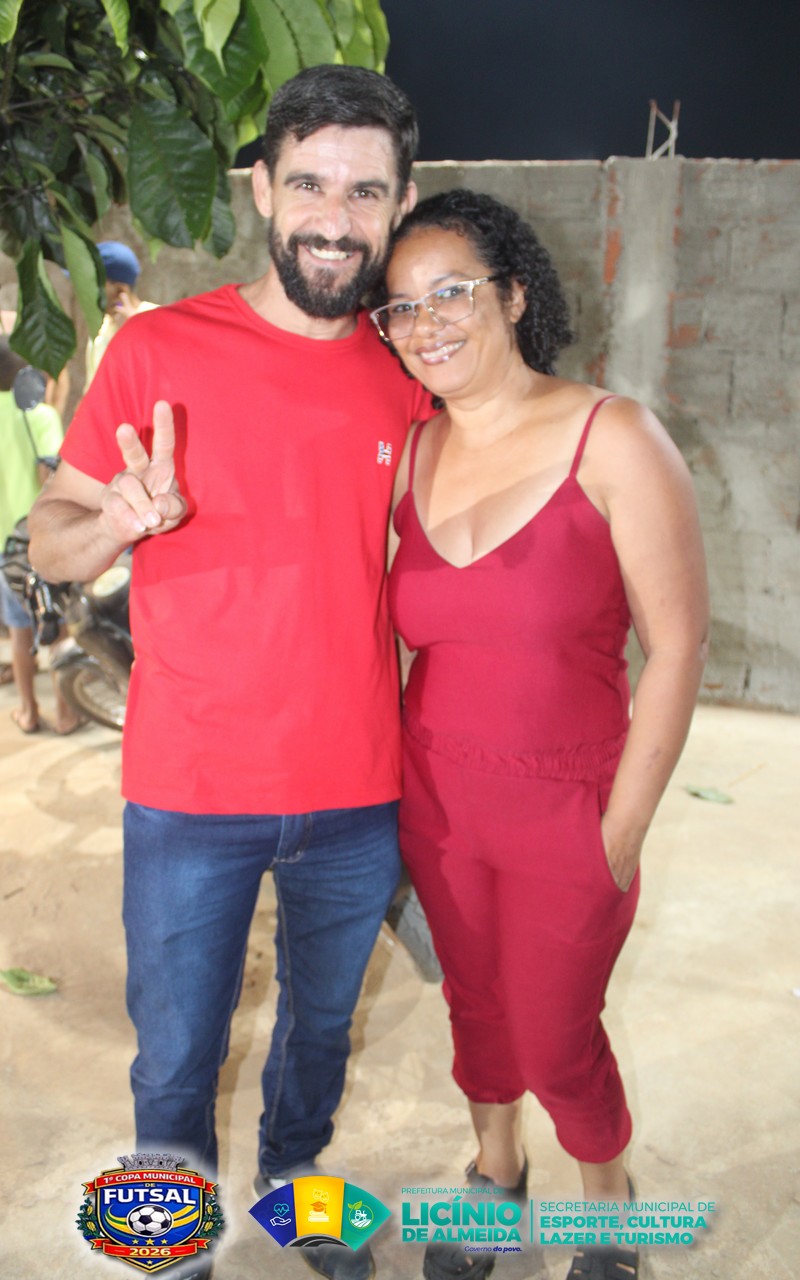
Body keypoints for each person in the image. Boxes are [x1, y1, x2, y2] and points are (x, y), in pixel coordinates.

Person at [28, 65, 430, 1280]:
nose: (333, 217)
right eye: (308, 183)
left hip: (358, 789)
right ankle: (172, 1239)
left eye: (364, 191)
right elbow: (47, 538)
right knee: (174, 1055)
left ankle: (291, 1189)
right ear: (260, 188)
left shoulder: (409, 372)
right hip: (189, 788)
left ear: (400, 204)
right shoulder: (157, 347)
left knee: (320, 1033)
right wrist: (114, 524)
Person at [371, 190, 709, 1280]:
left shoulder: (614, 436)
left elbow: (676, 647)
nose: (424, 323)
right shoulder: (411, 453)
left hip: (569, 808)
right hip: (438, 803)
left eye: (450, 293)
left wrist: (622, 829)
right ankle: (496, 1173)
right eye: (400, 306)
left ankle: (607, 1211)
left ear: (514, 296)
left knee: (557, 1033)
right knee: (475, 1009)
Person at [0, 340, 83, 734]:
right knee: (56, 627)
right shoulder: (41, 416)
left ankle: (29, 712)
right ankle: (66, 714)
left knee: (20, 632)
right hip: (39, 542)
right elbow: (52, 475)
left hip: (3, 548)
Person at [83, 240, 158, 389]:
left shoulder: (157, 320)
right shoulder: (100, 329)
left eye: (93, 284)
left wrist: (134, 331)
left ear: (119, 290)